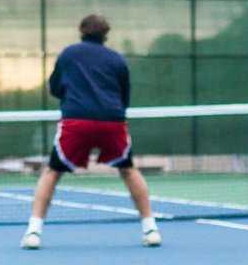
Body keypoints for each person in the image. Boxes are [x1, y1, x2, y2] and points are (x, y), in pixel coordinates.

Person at [21, 14, 160, 250]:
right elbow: (124, 96)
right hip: (112, 121)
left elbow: (55, 87)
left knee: (52, 173)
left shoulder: (68, 54)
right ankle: (150, 228)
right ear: (106, 34)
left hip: (77, 121)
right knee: (128, 170)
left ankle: (33, 232)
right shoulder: (117, 59)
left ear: (82, 31)